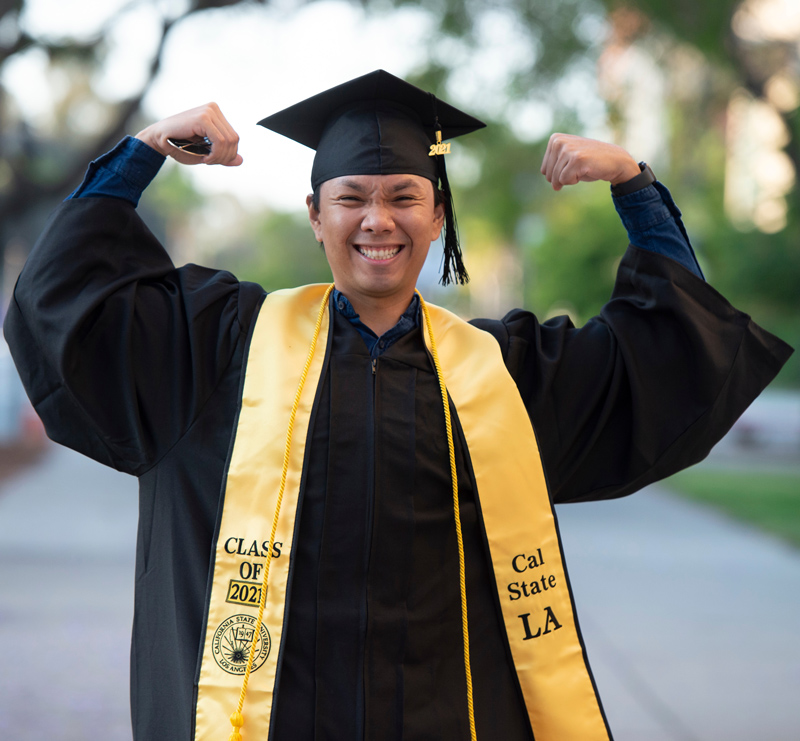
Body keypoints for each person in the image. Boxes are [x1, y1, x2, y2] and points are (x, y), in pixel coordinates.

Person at [4, 70, 792, 741]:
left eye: (404, 196)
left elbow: (668, 355)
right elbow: (66, 302)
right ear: (317, 218)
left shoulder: (506, 375)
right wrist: (140, 154)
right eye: (351, 197)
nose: (378, 219)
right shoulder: (215, 351)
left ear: (436, 216)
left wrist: (635, 186)